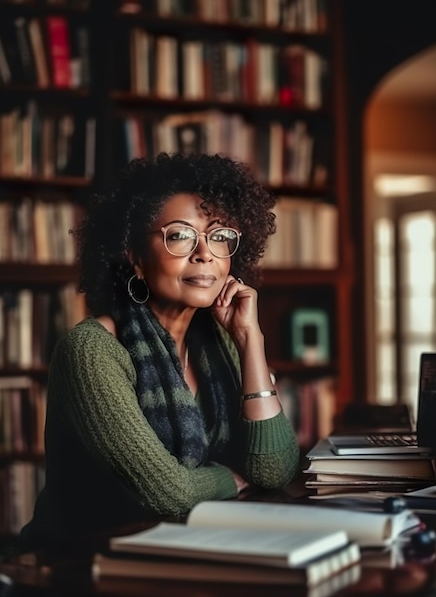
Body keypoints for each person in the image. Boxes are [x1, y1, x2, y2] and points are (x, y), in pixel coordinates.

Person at [19, 152, 300, 551]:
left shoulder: (221, 341)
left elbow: (274, 468)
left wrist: (250, 340)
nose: (205, 253)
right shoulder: (92, 350)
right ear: (134, 256)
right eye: (181, 235)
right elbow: (169, 496)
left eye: (219, 236)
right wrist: (233, 477)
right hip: (79, 568)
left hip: (189, 553)